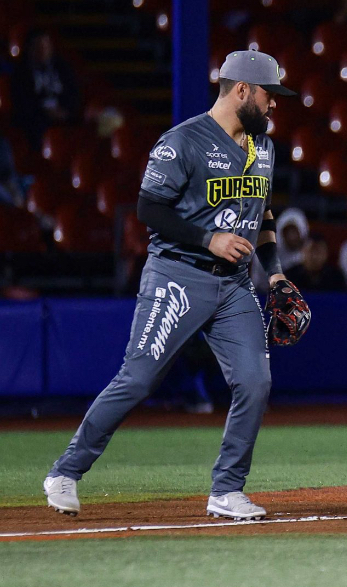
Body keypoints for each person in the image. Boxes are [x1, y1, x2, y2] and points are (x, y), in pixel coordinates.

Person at [42, 50, 303, 521]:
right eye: (269, 94)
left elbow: (262, 216)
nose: (274, 105)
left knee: (255, 381)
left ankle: (226, 490)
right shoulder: (182, 142)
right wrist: (209, 237)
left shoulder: (262, 147)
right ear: (241, 90)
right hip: (178, 274)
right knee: (139, 379)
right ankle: (65, 471)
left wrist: (278, 274)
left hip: (236, 284)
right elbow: (150, 210)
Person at [11, 29, 80, 151]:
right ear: (30, 48)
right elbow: (22, 102)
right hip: (36, 118)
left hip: (63, 114)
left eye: (46, 45)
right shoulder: (21, 72)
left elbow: (73, 93)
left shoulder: (62, 68)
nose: (43, 50)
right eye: (39, 46)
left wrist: (65, 111)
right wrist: (45, 112)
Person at [276, 207, 309, 273]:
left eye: (294, 232)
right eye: (287, 232)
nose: (291, 236)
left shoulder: (308, 258)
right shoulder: (269, 255)